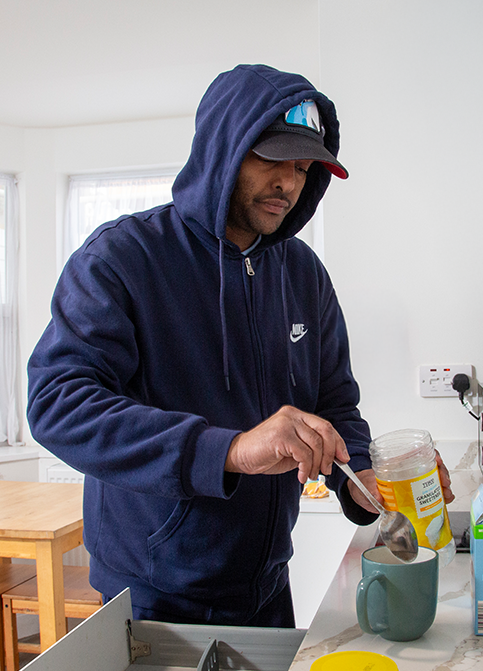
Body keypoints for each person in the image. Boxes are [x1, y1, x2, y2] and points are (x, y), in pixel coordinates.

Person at [27, 64, 453, 628]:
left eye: (303, 168)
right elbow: (58, 404)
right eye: (271, 160)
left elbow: (335, 404)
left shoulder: (302, 273)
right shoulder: (121, 260)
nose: (290, 183)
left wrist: (364, 481)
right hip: (153, 599)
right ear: (222, 150)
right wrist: (227, 451)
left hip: (268, 588)